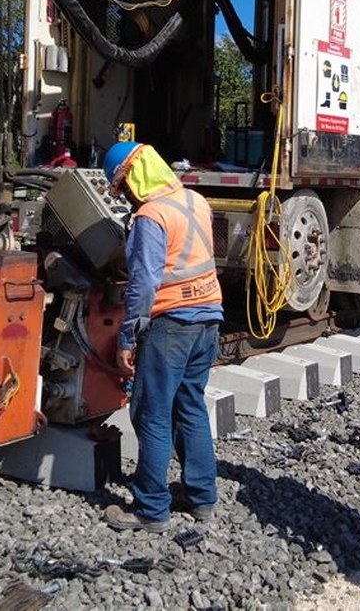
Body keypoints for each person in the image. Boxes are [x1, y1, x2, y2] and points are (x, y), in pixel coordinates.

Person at [100, 141, 224, 533]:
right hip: (209, 318)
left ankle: (151, 509)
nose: (126, 196)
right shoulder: (194, 199)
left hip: (172, 323)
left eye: (122, 187)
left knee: (151, 413)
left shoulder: (150, 217)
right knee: (190, 406)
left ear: (133, 177)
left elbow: (143, 286)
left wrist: (126, 338)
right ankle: (201, 498)